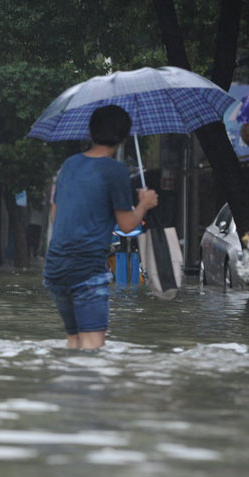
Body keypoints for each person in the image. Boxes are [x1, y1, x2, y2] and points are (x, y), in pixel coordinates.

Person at [43, 105, 158, 350]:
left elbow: (55, 215)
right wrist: (144, 204)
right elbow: (127, 225)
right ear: (123, 136)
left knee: (74, 342)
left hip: (55, 268)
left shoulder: (69, 165)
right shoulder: (115, 171)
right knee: (93, 346)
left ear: (90, 132)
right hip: (87, 267)